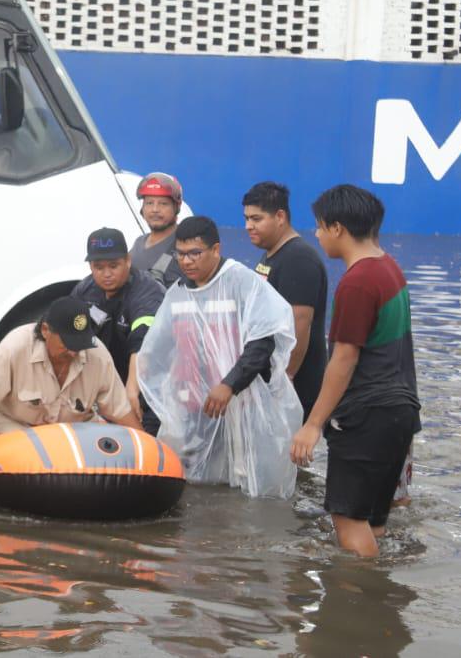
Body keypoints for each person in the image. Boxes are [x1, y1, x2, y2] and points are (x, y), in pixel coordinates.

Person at [291, 185, 421, 558]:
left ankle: (358, 591)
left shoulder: (357, 282)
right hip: (399, 412)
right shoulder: (390, 267)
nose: (317, 234)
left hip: (367, 415)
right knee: (373, 522)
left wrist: (313, 424)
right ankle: (381, 591)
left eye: (319, 226)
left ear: (337, 228)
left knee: (347, 520)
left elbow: (344, 359)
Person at [136, 216, 302, 498]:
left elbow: (262, 343)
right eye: (180, 254)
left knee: (248, 484)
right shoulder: (178, 292)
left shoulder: (242, 282)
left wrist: (229, 385)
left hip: (242, 401)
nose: (186, 261)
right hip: (195, 405)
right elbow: (159, 350)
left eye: (195, 253)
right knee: (196, 485)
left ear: (215, 249)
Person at [0, 297, 142, 490]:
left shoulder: (97, 355)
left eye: (79, 344)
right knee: (29, 456)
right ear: (45, 330)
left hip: (72, 426)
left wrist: (146, 444)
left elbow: (120, 409)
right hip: (14, 422)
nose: (73, 352)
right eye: (67, 344)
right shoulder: (15, 347)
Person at [243, 181, 329, 421]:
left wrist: (285, 379)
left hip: (294, 390)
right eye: (246, 218)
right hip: (270, 383)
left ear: (280, 216)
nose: (248, 226)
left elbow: (299, 324)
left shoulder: (298, 258)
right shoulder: (271, 255)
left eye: (256, 219)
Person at [70, 227, 166, 434]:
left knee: (144, 441)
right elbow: (70, 334)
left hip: (148, 384)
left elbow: (142, 343)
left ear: (128, 261)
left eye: (114, 266)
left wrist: (131, 391)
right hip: (106, 383)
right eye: (98, 267)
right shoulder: (85, 290)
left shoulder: (147, 291)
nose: (106, 274)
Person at [128, 172, 185, 288]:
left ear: (177, 207)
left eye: (163, 204)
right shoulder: (139, 242)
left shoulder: (186, 244)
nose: (155, 209)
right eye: (149, 203)